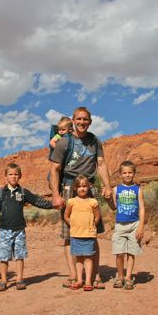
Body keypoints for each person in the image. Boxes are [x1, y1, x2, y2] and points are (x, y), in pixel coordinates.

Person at [49, 106, 112, 289]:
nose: (82, 122)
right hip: (69, 188)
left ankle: (95, 276)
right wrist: (55, 195)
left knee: (92, 234)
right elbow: (54, 169)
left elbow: (101, 164)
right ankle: (73, 276)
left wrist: (108, 186)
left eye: (85, 119)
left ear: (90, 122)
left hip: (89, 188)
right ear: (73, 121)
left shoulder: (94, 141)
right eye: (79, 119)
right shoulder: (64, 142)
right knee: (70, 236)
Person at [0, 163, 56, 291]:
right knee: (4, 256)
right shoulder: (1, 193)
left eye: (16, 174)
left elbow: (38, 201)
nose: (13, 176)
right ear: (6, 176)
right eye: (10, 174)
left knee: (19, 256)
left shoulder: (23, 192)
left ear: (20, 176)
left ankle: (19, 280)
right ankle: (3, 280)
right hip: (4, 230)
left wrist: (53, 204)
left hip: (19, 230)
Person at [107, 160, 145, 290]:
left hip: (134, 224)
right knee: (119, 253)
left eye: (130, 172)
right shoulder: (116, 189)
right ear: (120, 174)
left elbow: (142, 209)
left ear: (134, 174)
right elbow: (114, 207)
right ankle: (120, 276)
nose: (127, 175)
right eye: (124, 173)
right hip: (120, 225)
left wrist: (141, 226)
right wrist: (108, 200)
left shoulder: (138, 190)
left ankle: (128, 278)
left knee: (131, 252)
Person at [64, 175, 101, 291]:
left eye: (84, 186)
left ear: (89, 187)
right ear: (75, 188)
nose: (82, 189)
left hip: (88, 235)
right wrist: (73, 224)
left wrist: (91, 226)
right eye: (79, 186)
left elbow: (97, 216)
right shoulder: (71, 202)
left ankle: (88, 280)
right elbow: (66, 215)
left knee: (88, 258)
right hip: (76, 235)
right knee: (79, 258)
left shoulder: (92, 202)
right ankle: (80, 280)